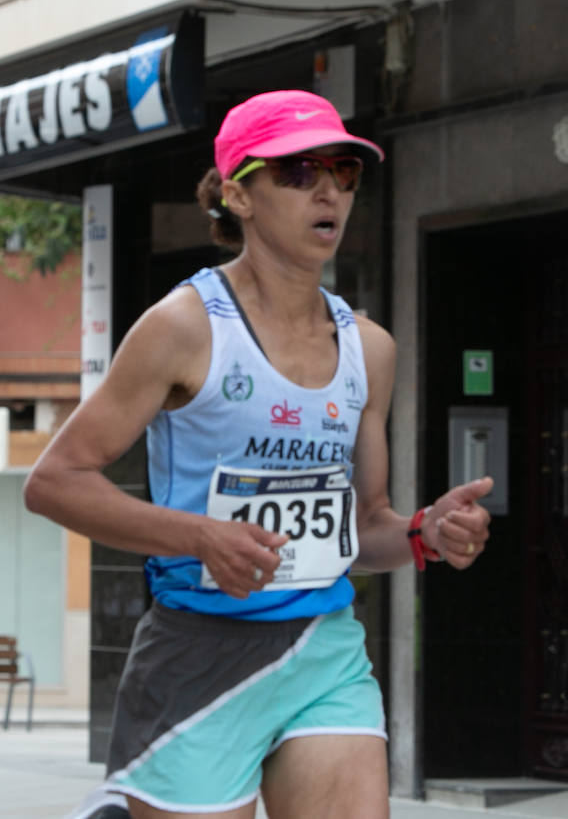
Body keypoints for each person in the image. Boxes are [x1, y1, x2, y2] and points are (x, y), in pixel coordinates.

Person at [25, 89, 493, 819]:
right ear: (239, 196)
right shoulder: (182, 327)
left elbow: (364, 528)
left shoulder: (370, 349)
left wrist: (422, 534)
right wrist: (200, 537)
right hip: (197, 653)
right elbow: (54, 482)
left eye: (344, 171)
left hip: (322, 647)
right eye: (300, 171)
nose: (330, 189)